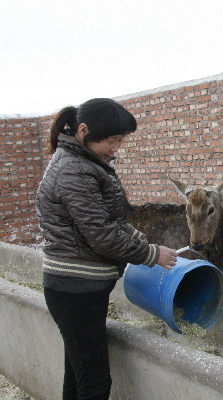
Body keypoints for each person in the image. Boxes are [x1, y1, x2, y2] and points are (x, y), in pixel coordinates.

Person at [35, 98, 178, 400]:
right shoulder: (74, 171)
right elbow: (101, 234)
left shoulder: (85, 163)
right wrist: (152, 254)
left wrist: (141, 241)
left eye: (119, 141)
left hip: (78, 287)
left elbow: (109, 220)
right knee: (95, 383)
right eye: (111, 140)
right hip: (75, 290)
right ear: (84, 130)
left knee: (78, 375)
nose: (116, 148)